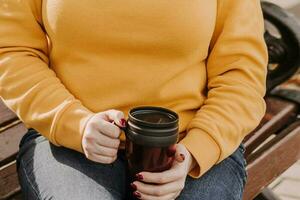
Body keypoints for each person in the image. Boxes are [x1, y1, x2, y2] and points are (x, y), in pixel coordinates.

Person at [0, 0, 268, 199]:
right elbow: (13, 52)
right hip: (68, 143)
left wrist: (197, 150)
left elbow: (241, 74)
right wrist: (75, 123)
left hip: (191, 145)